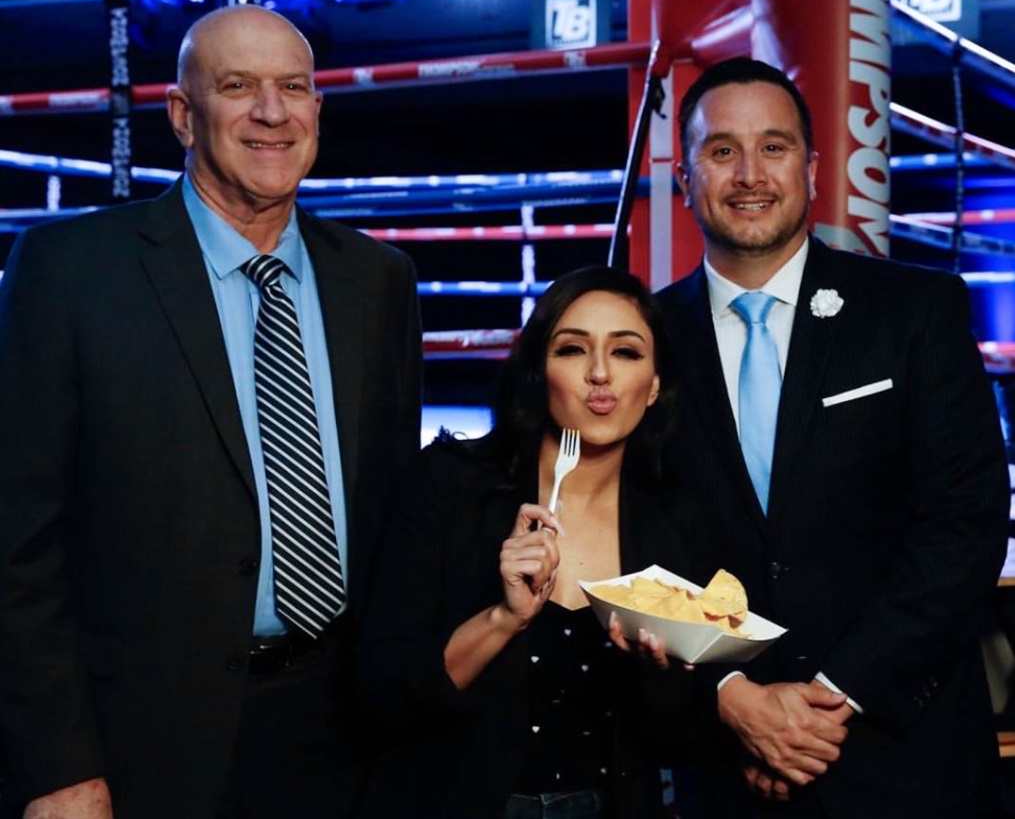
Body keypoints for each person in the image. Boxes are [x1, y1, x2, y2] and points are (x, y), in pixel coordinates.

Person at [0, 5, 421, 819]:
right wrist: (55, 764)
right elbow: (14, 541)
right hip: (136, 747)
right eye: (238, 87)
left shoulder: (378, 282)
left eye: (292, 87)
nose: (272, 112)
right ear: (182, 115)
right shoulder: (71, 271)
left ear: (317, 110)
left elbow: (392, 516)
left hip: (340, 739)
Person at [655, 56, 1010, 817]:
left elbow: (964, 524)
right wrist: (734, 698)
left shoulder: (915, 311)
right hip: (722, 764)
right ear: (683, 176)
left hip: (903, 757)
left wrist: (821, 703)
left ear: (813, 170)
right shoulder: (641, 339)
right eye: (721, 151)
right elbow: (631, 542)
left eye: (772, 147)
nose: (749, 173)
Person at [360, 266, 700, 818]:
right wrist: (503, 618)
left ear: (655, 383)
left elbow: (682, 739)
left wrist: (662, 672)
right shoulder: (448, 485)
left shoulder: (674, 520)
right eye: (571, 350)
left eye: (626, 353)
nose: (599, 374)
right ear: (539, 371)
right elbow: (381, 695)